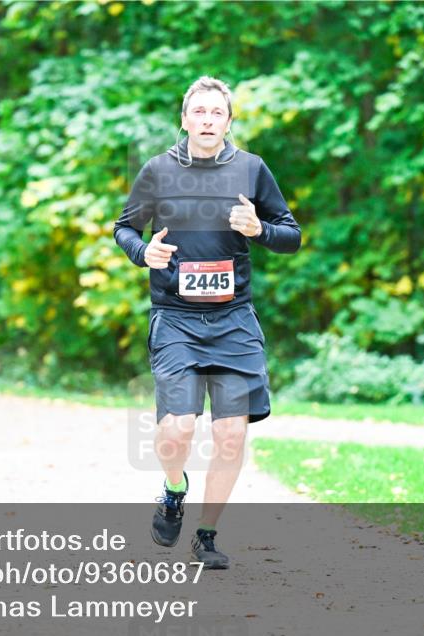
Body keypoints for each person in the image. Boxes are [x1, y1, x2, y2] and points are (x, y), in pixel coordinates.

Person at [114, 76, 301, 568]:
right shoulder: (157, 171)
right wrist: (144, 252)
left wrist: (259, 228)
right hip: (176, 319)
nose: (207, 120)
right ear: (184, 119)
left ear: (228, 121)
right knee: (175, 430)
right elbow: (124, 228)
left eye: (217, 113)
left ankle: (206, 534)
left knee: (231, 435)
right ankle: (174, 489)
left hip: (234, 322)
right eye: (199, 112)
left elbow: (291, 235)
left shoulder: (251, 170)